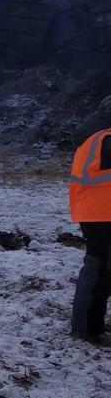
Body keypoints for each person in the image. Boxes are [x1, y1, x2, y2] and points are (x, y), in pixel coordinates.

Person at [70, 125, 111, 343]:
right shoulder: (106, 139)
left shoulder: (95, 136)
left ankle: (91, 324)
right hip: (102, 213)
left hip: (96, 211)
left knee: (102, 269)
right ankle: (87, 328)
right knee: (99, 270)